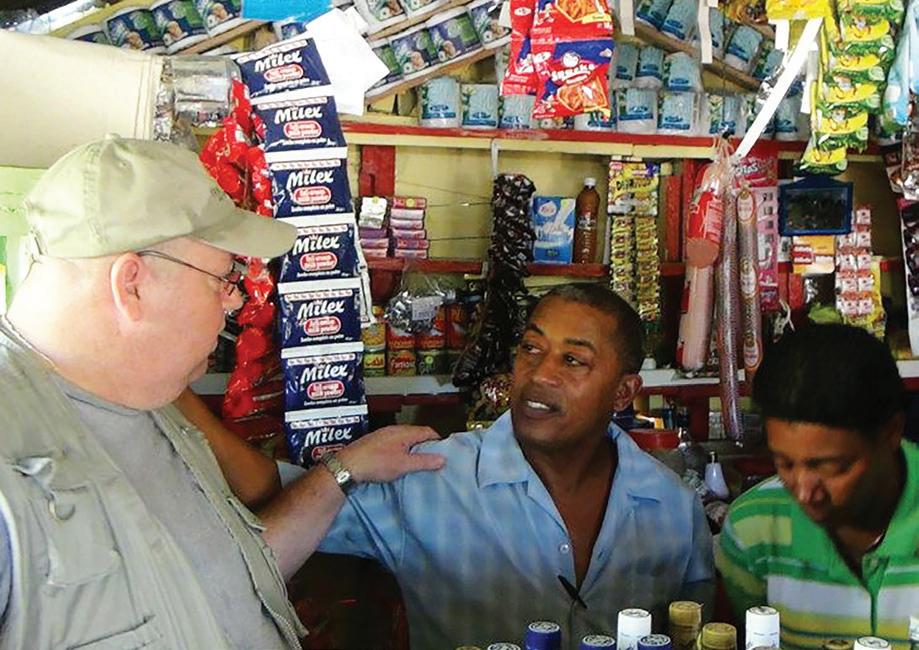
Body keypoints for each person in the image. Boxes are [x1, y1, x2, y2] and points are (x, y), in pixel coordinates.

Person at [0, 136, 444, 650]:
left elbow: (229, 579)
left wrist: (343, 470)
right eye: (223, 279)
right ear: (132, 285)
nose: (234, 303)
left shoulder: (149, 399)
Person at [316, 283, 715, 650]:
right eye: (531, 348)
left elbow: (696, 633)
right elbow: (283, 515)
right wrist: (345, 464)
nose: (540, 374)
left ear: (623, 392)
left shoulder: (673, 506)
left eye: (573, 360)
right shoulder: (429, 478)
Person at [717, 324, 919, 650]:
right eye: (785, 463)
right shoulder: (754, 526)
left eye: (831, 466)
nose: (804, 492)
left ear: (891, 433)